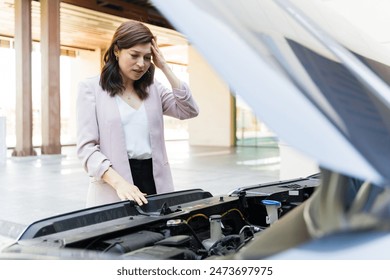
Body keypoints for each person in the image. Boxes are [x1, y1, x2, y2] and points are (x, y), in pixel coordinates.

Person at [76, 20, 199, 207]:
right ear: (117, 50)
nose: (141, 64)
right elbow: (86, 149)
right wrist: (120, 184)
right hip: (114, 185)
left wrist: (164, 66)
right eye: (134, 55)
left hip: (155, 183)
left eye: (147, 57)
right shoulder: (91, 89)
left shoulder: (154, 89)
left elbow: (188, 110)